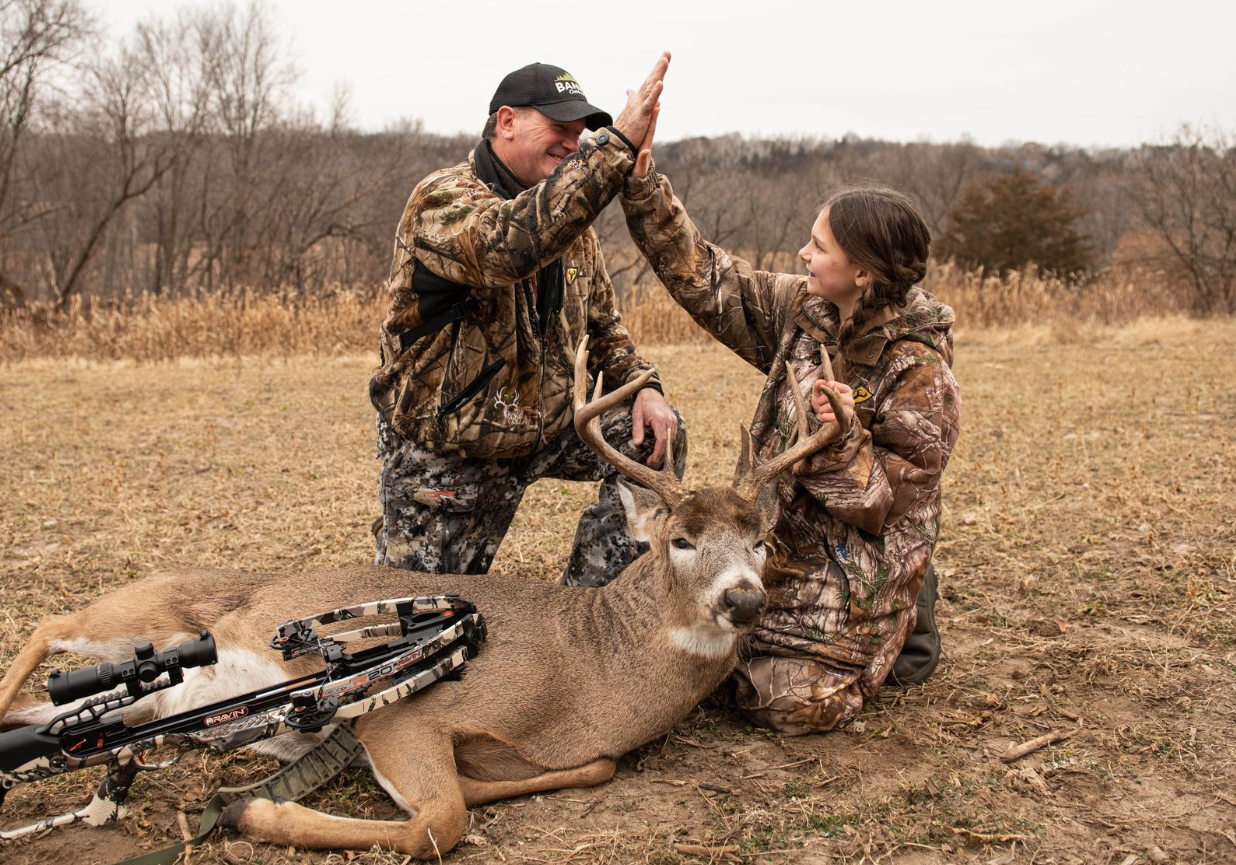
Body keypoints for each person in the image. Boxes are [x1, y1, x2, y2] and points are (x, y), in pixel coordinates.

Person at [619, 116, 959, 733]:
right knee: (684, 640)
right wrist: (643, 189)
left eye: (820, 247)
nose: (804, 253)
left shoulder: (920, 371)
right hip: (771, 540)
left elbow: (883, 506)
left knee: (783, 700)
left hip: (858, 556)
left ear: (864, 273)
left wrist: (845, 442)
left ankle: (904, 623)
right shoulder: (803, 312)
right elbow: (710, 278)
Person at [369, 54, 684, 587]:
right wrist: (614, 150)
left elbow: (605, 327)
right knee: (420, 626)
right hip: (452, 452)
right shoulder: (442, 199)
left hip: (545, 429)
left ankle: (586, 616)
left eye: (582, 133)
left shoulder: (571, 225)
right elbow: (509, 245)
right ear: (506, 122)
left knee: (656, 440)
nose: (572, 143)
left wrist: (645, 388)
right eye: (559, 128)